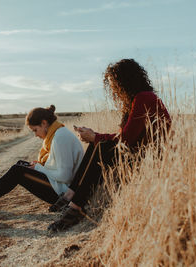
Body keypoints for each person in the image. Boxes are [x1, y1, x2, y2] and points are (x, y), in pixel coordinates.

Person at [47, 59, 171, 232]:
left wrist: (95, 136)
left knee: (100, 146)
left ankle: (76, 208)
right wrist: (94, 136)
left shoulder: (144, 98)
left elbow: (126, 139)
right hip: (139, 152)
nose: (113, 89)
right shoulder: (135, 100)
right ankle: (71, 195)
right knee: (98, 145)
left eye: (114, 84)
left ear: (125, 81)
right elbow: (125, 137)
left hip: (152, 157)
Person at [0, 105, 84, 218]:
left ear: (44, 123)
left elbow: (65, 176)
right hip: (60, 186)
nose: (35, 135)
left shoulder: (60, 137)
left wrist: (40, 168)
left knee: (18, 172)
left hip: (64, 195)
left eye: (35, 130)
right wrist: (39, 166)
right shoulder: (57, 134)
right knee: (20, 164)